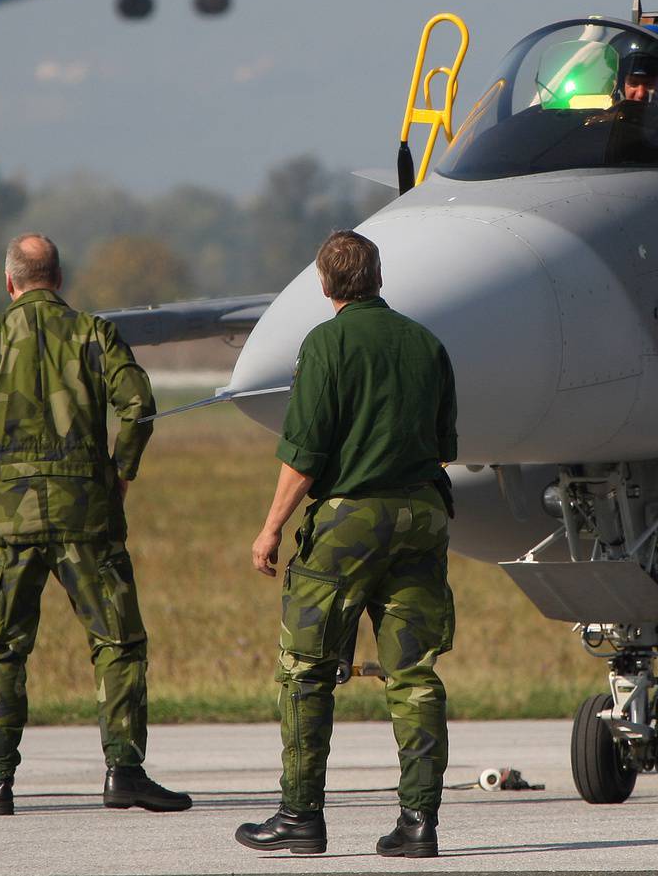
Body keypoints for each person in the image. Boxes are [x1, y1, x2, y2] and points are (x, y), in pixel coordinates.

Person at [0, 233, 189, 817]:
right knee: (117, 642)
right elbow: (139, 404)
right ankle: (124, 771)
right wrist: (122, 470)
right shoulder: (94, 334)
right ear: (60, 279)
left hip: (5, 516)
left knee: (2, 651)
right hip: (86, 513)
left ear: (10, 282)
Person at [235, 230, 457, 860]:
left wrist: (271, 526)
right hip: (422, 515)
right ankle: (419, 823)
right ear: (378, 277)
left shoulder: (325, 345)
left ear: (325, 284)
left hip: (347, 524)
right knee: (413, 673)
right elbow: (445, 447)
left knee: (306, 669)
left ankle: (300, 817)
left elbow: (305, 457)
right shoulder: (426, 344)